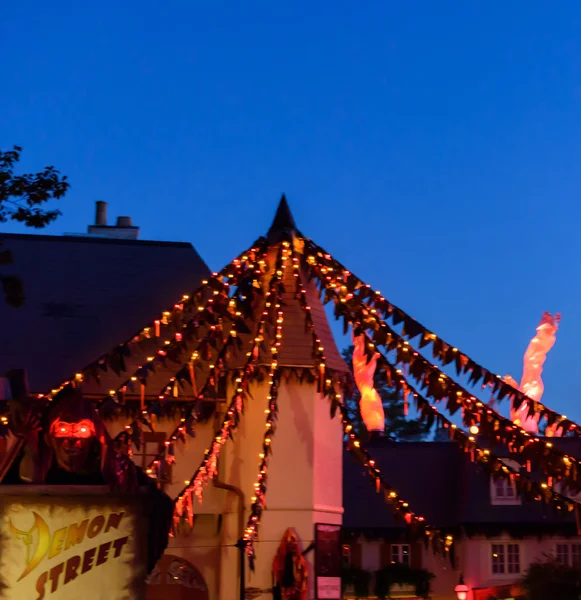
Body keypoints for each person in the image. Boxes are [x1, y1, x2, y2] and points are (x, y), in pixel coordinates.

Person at [4, 386, 173, 574]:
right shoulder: (34, 462)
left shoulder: (115, 469)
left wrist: (136, 566)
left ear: (94, 435)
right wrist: (29, 444)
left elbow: (161, 505)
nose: (72, 440)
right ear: (50, 435)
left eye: (82, 430)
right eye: (63, 429)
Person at [272, 528, 308, 600]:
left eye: (293, 542)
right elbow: (275, 580)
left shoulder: (299, 560)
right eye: (289, 543)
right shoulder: (279, 559)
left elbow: (304, 578)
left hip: (295, 594)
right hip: (283, 593)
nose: (291, 545)